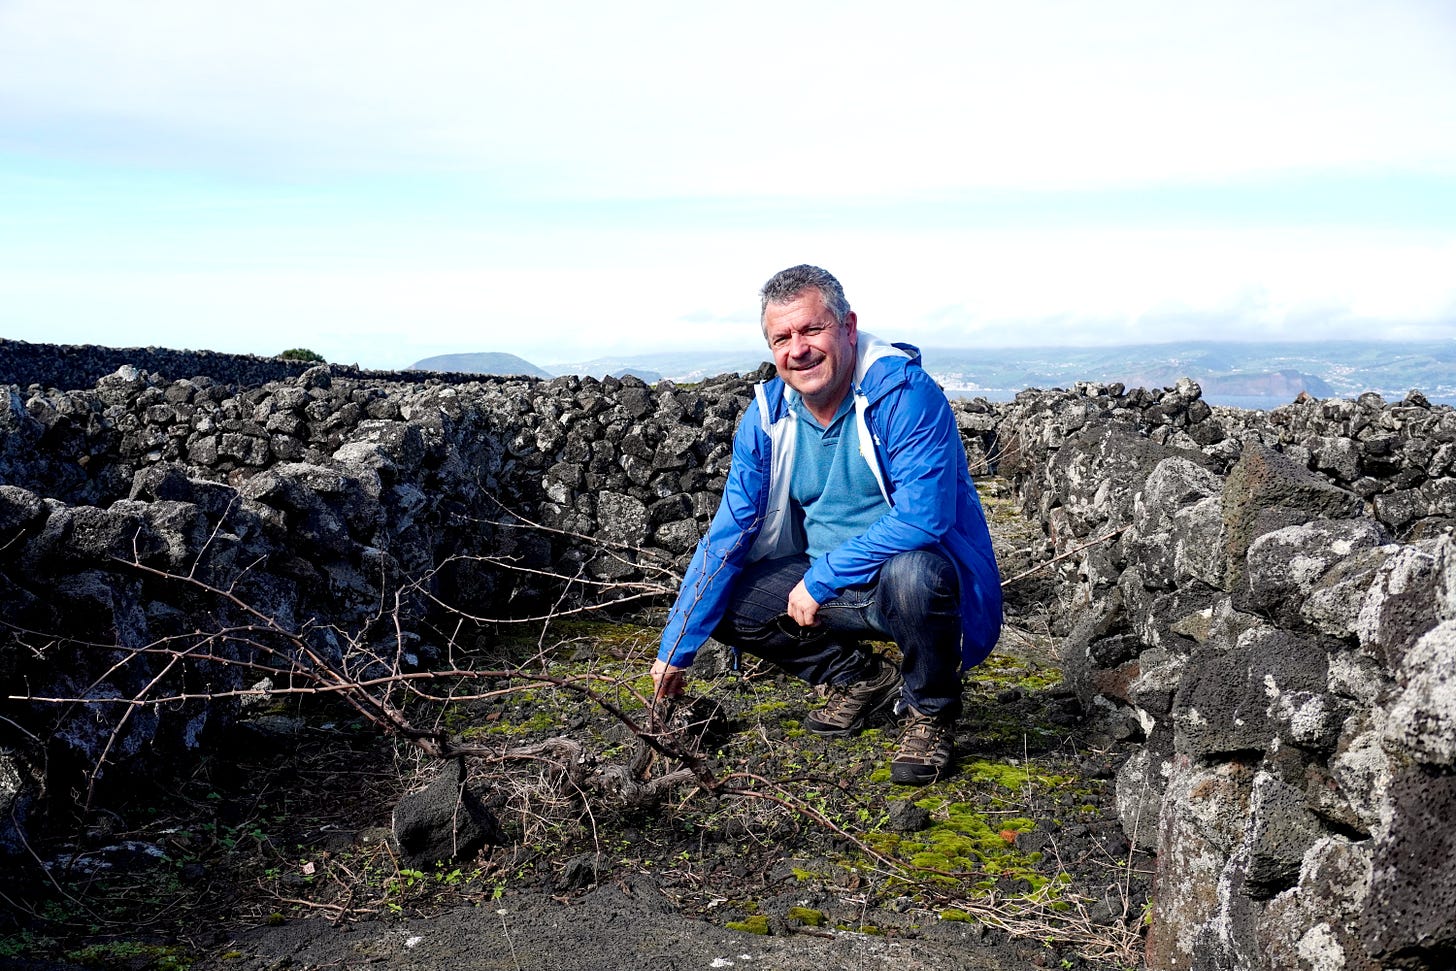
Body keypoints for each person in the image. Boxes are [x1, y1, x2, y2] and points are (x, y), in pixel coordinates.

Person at [650, 265, 1002, 785]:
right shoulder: (768, 418)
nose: (798, 349)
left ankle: (930, 711)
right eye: (782, 338)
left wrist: (819, 580)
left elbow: (925, 517)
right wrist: (675, 650)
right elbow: (728, 534)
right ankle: (860, 679)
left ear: (848, 327)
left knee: (916, 576)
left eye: (812, 329)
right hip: (829, 580)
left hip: (903, 577)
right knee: (728, 600)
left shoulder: (903, 393)